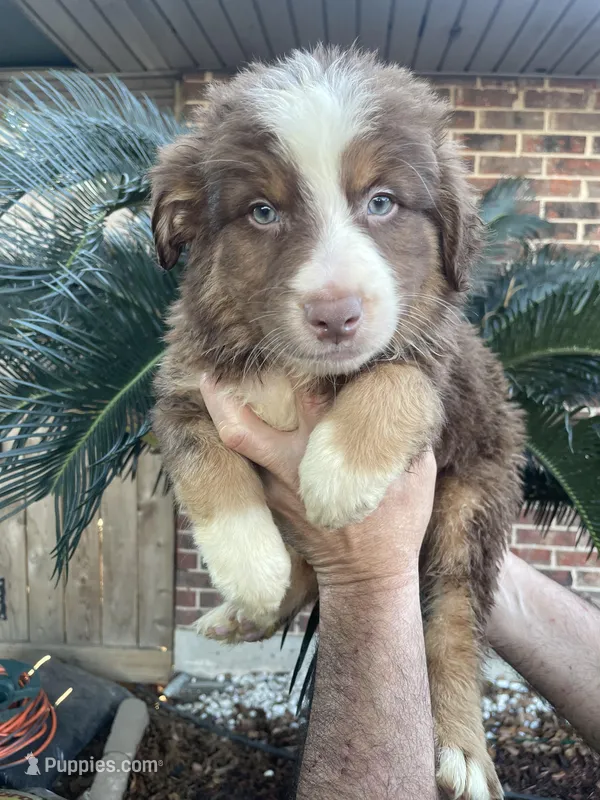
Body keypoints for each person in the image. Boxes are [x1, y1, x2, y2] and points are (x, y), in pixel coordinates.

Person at [199, 376, 600, 799]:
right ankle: (300, 574)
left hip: (459, 455)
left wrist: (369, 572)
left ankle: (456, 716)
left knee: (458, 571)